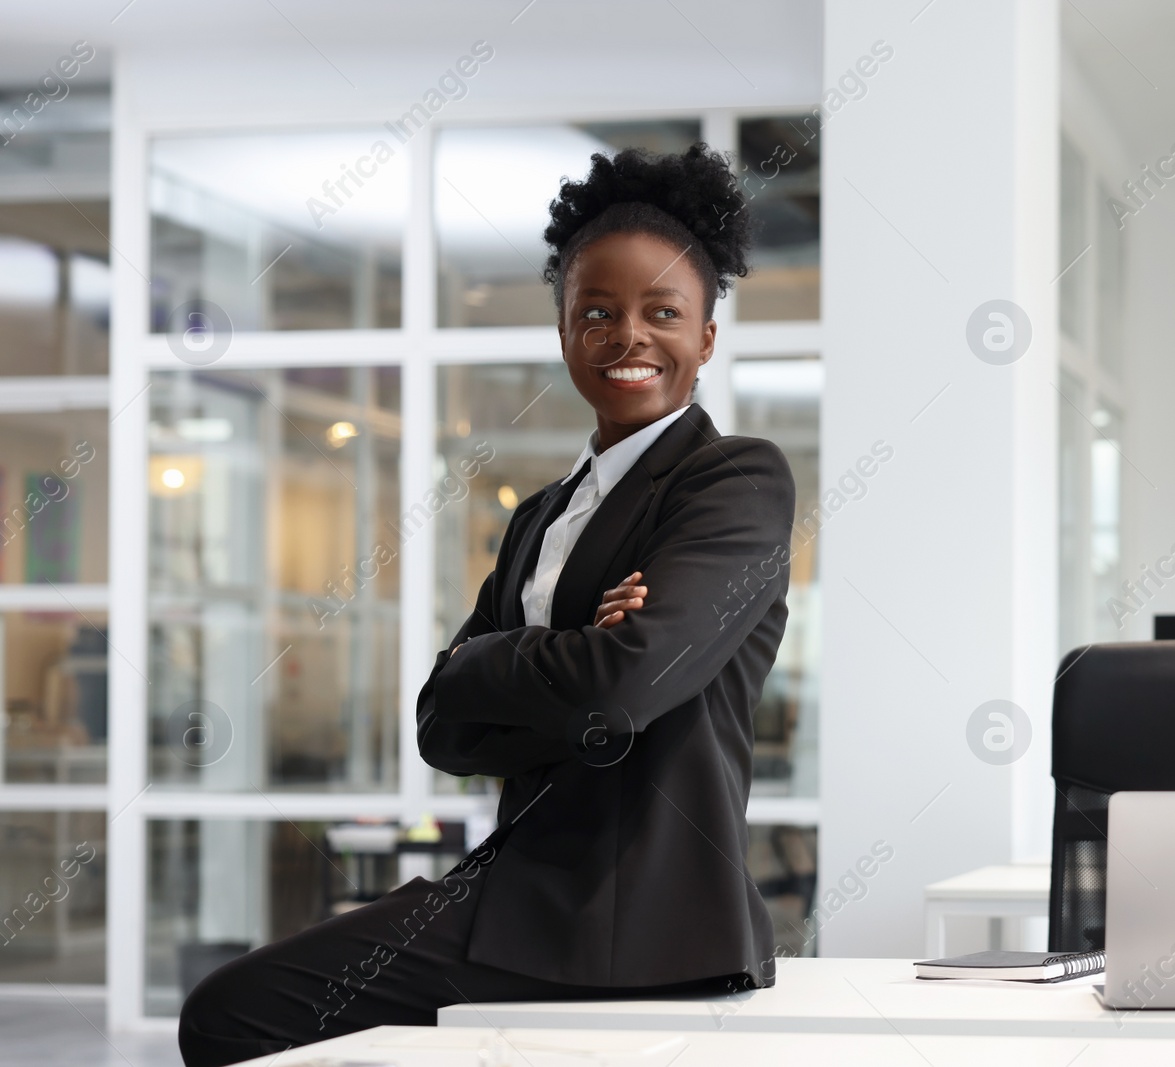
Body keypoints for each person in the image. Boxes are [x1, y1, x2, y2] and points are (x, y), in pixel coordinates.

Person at [178, 143, 795, 1066]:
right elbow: (442, 727)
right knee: (236, 1008)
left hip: (635, 924)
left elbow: (620, 687)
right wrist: (540, 664)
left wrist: (502, 663)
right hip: (520, 897)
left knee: (232, 1017)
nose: (630, 335)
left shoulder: (735, 481)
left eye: (663, 312)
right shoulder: (540, 517)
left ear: (706, 336)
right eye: (598, 311)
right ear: (562, 330)